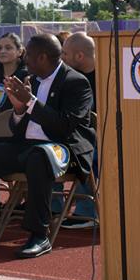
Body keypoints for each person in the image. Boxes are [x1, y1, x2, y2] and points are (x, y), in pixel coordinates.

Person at [0, 33, 95, 259]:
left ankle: (40, 235)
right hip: (28, 145)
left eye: (29, 56)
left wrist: (30, 102)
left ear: (43, 58)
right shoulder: (32, 80)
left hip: (64, 148)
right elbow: (19, 129)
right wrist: (19, 109)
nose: (25, 61)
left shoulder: (75, 82)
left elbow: (64, 127)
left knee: (39, 156)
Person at [57, 31, 98, 229]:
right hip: (74, 136)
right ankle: (54, 207)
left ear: (79, 56)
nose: (61, 58)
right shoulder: (68, 79)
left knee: (85, 152)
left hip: (103, 141)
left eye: (64, 54)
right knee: (46, 150)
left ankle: (86, 212)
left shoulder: (108, 75)